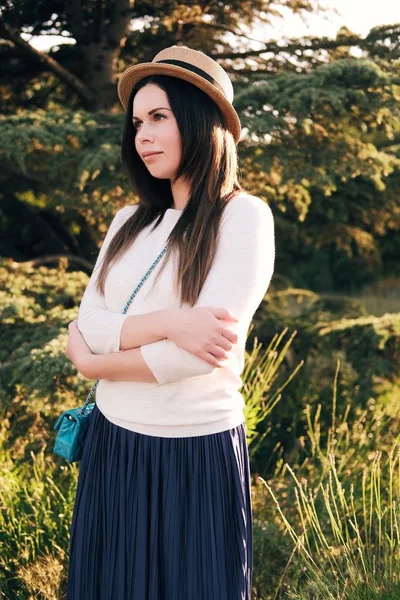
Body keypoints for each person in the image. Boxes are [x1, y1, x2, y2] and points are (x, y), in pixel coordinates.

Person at [64, 45, 275, 600]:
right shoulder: (129, 220)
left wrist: (95, 358)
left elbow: (192, 357)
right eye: (137, 122)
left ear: (203, 122)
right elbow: (88, 320)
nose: (143, 136)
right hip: (113, 441)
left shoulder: (243, 217)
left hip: (194, 452)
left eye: (159, 117)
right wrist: (170, 321)